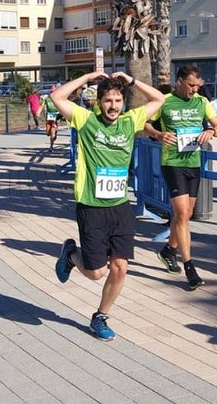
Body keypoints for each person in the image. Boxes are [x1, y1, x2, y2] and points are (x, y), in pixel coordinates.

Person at [53, 70, 165, 341]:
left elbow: (159, 99)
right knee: (95, 272)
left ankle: (100, 316)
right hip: (91, 206)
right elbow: (57, 97)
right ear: (98, 102)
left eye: (117, 100)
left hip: (120, 206)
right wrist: (88, 77)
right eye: (107, 100)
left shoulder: (130, 121)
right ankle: (70, 255)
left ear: (123, 103)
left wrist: (132, 81)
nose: (113, 106)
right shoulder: (86, 120)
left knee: (120, 267)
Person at [142, 65, 217, 290]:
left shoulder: (201, 102)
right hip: (172, 163)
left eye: (198, 86)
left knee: (184, 218)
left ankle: (169, 250)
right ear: (179, 81)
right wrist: (158, 134)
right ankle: (190, 267)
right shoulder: (165, 101)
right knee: (183, 213)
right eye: (190, 85)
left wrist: (211, 131)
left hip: (193, 163)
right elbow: (143, 122)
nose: (194, 90)